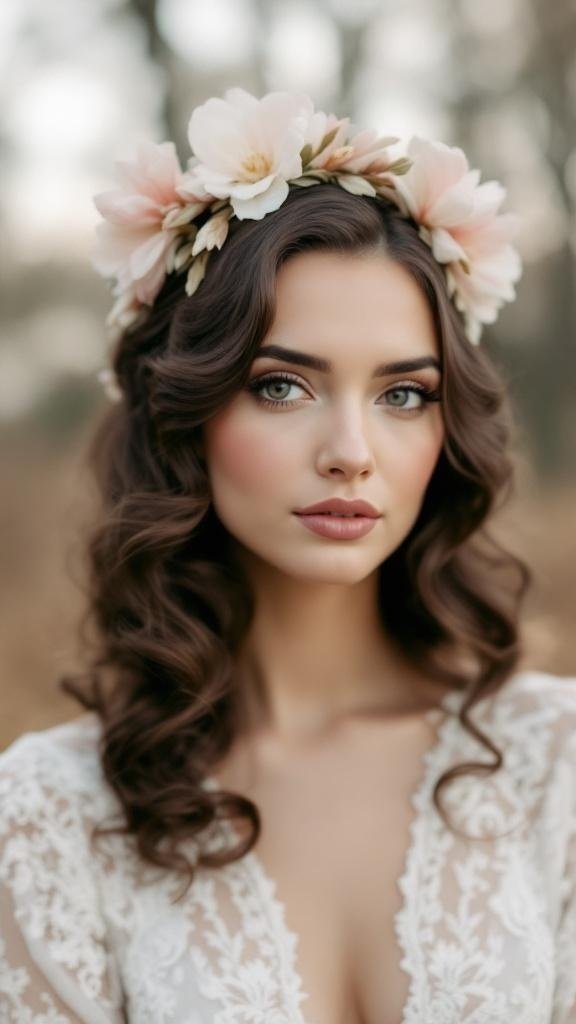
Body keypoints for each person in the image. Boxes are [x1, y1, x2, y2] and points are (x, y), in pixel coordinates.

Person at [0, 87, 575, 1024]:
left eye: (402, 395)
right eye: (281, 385)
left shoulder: (556, 764)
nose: (351, 449)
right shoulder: (51, 814)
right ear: (184, 413)